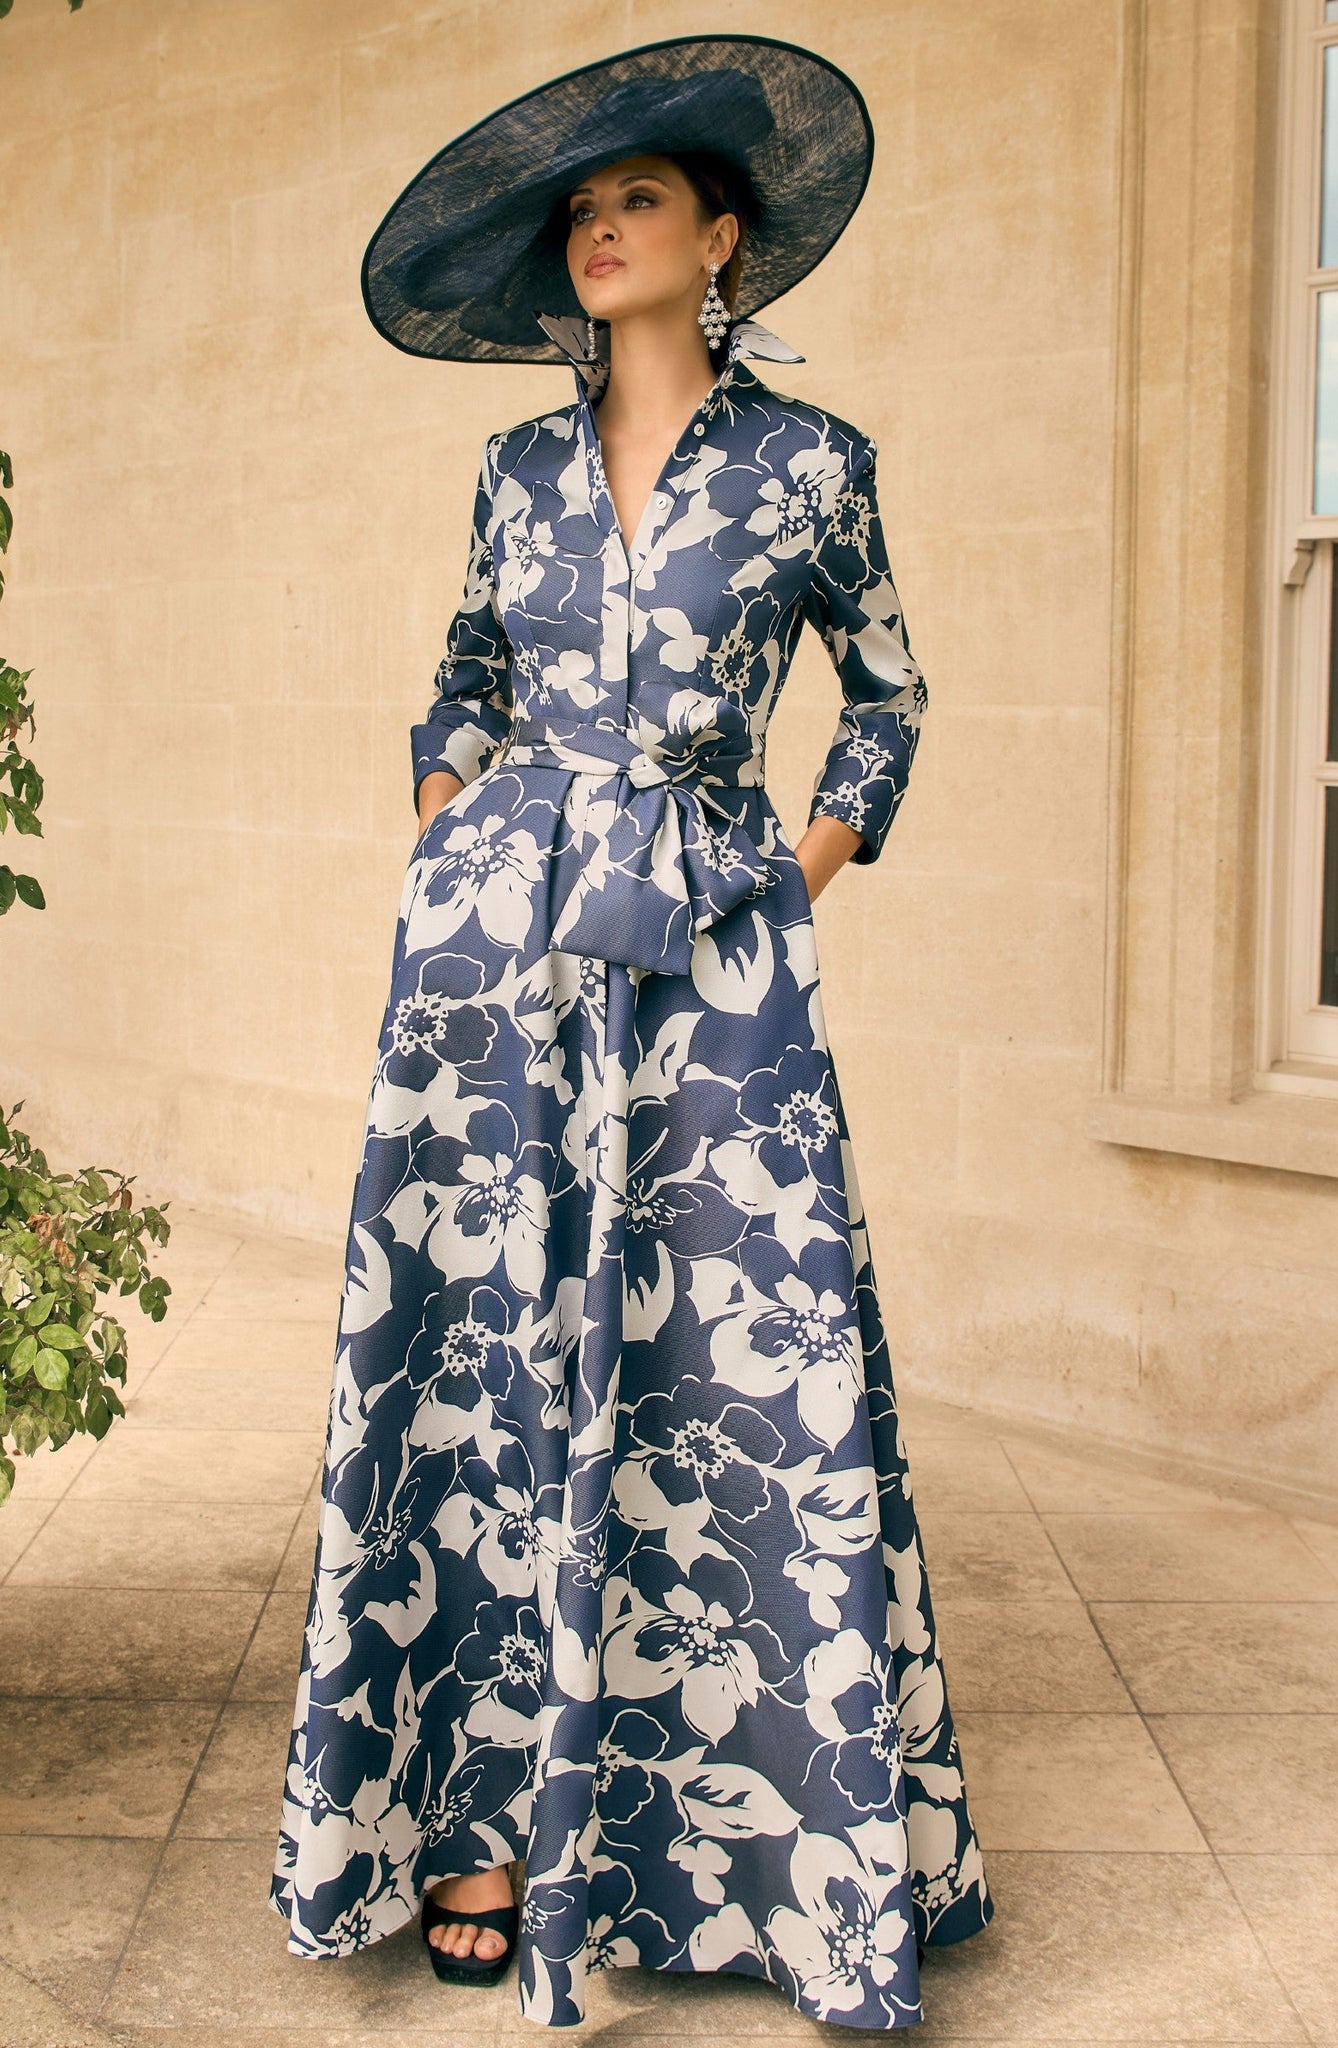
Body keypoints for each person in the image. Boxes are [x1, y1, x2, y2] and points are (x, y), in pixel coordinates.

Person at [269, 33, 993, 2033]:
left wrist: (794, 876)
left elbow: (890, 694)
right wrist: (451, 823)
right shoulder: (507, 473)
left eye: (637, 201)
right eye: (580, 213)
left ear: (722, 237)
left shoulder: (813, 464)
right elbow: (467, 672)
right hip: (490, 974)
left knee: (717, 1378)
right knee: (495, 1369)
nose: (598, 227)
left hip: (708, 971)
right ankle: (488, 1832)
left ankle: (743, 1846)